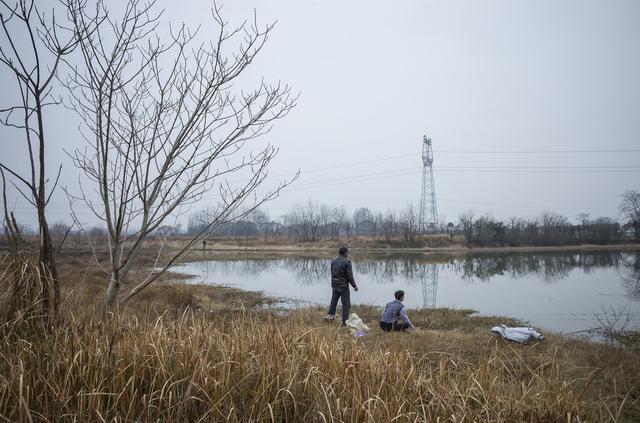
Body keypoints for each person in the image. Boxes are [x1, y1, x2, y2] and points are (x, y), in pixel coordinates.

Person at [325, 246, 358, 326]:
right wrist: (354, 286)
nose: (348, 254)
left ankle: (330, 318)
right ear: (345, 253)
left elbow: (332, 273)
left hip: (334, 284)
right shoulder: (347, 262)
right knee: (346, 304)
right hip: (343, 286)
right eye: (347, 252)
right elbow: (349, 276)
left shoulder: (333, 261)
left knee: (333, 302)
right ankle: (344, 322)